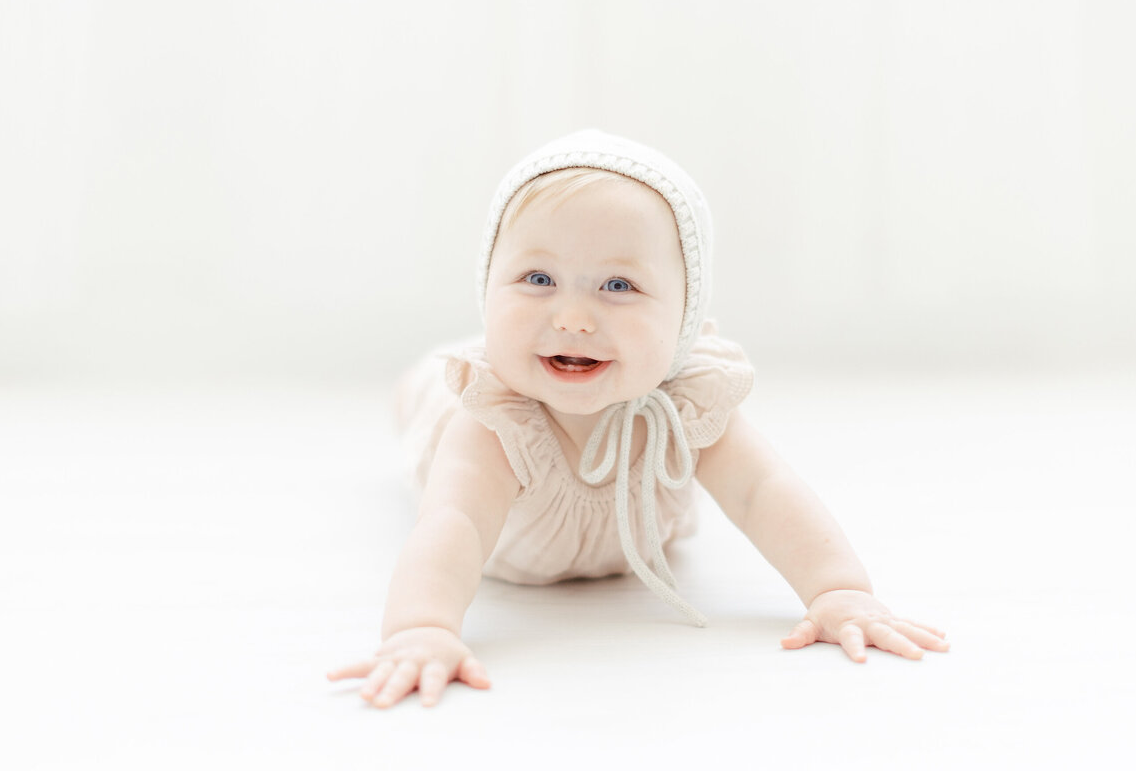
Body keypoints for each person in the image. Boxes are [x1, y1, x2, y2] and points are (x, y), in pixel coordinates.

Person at [327, 130, 949, 708]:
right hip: (477, 455)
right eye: (537, 278)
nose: (573, 316)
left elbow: (766, 493)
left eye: (618, 285)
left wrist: (839, 589)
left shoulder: (686, 407)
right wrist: (422, 628)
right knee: (422, 400)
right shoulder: (493, 421)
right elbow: (454, 522)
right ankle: (415, 387)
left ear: (685, 318)